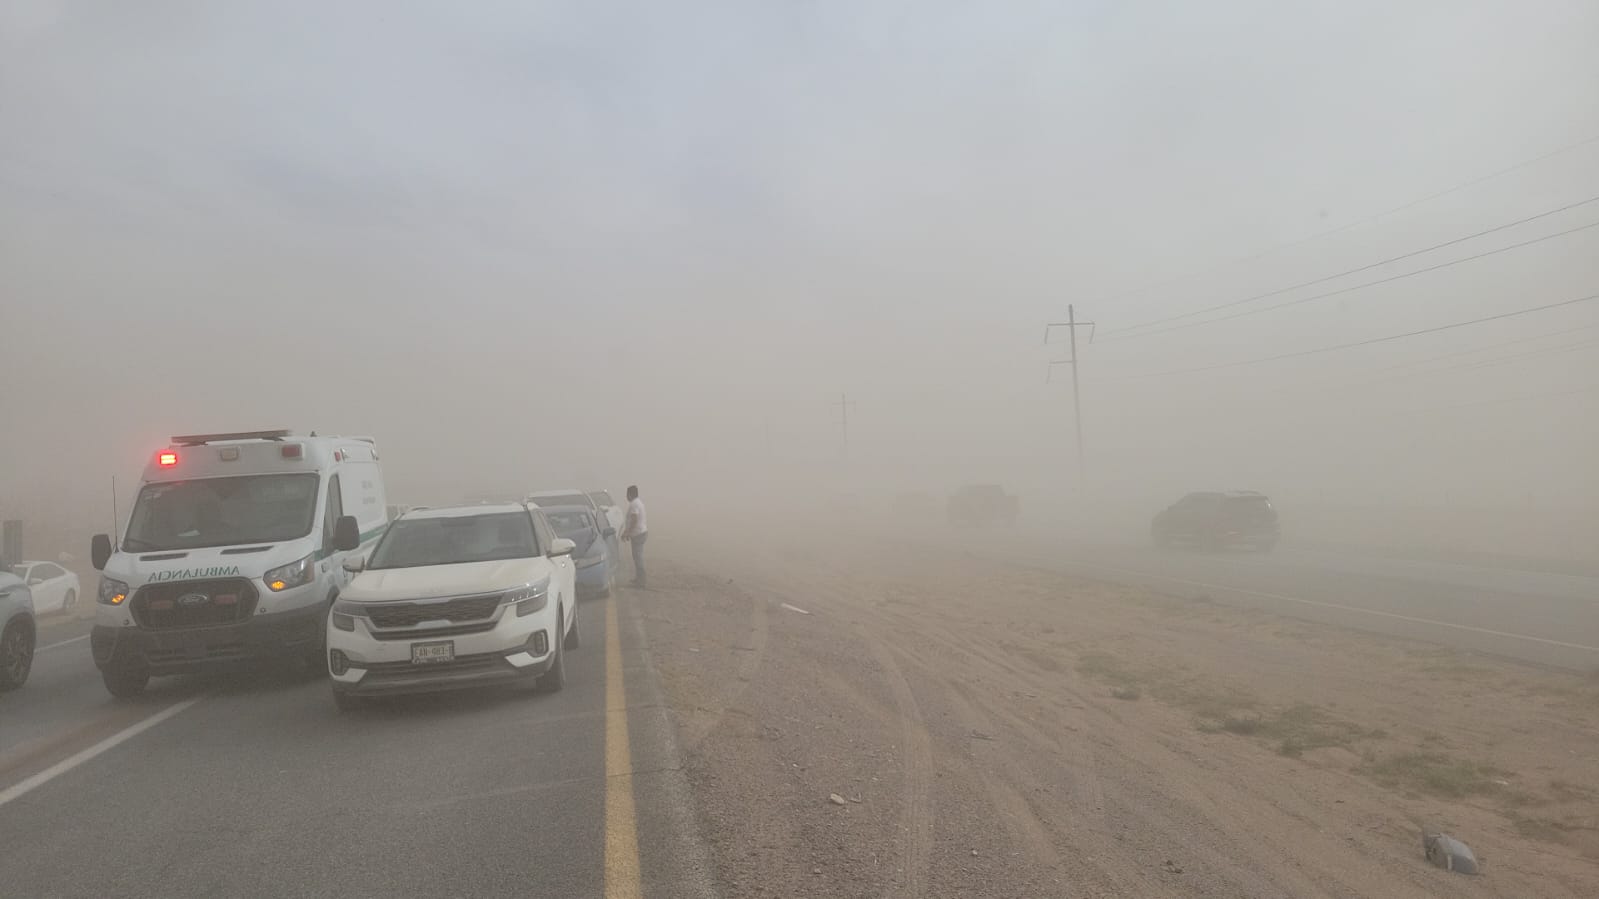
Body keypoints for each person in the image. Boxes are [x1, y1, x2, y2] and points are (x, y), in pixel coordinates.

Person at [621, 485, 647, 588]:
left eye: (627, 494)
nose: (626, 496)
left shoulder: (634, 504)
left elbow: (634, 520)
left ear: (630, 494)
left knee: (638, 558)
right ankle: (639, 579)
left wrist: (627, 532)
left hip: (638, 534)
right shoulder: (637, 502)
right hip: (639, 533)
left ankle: (641, 581)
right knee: (637, 557)